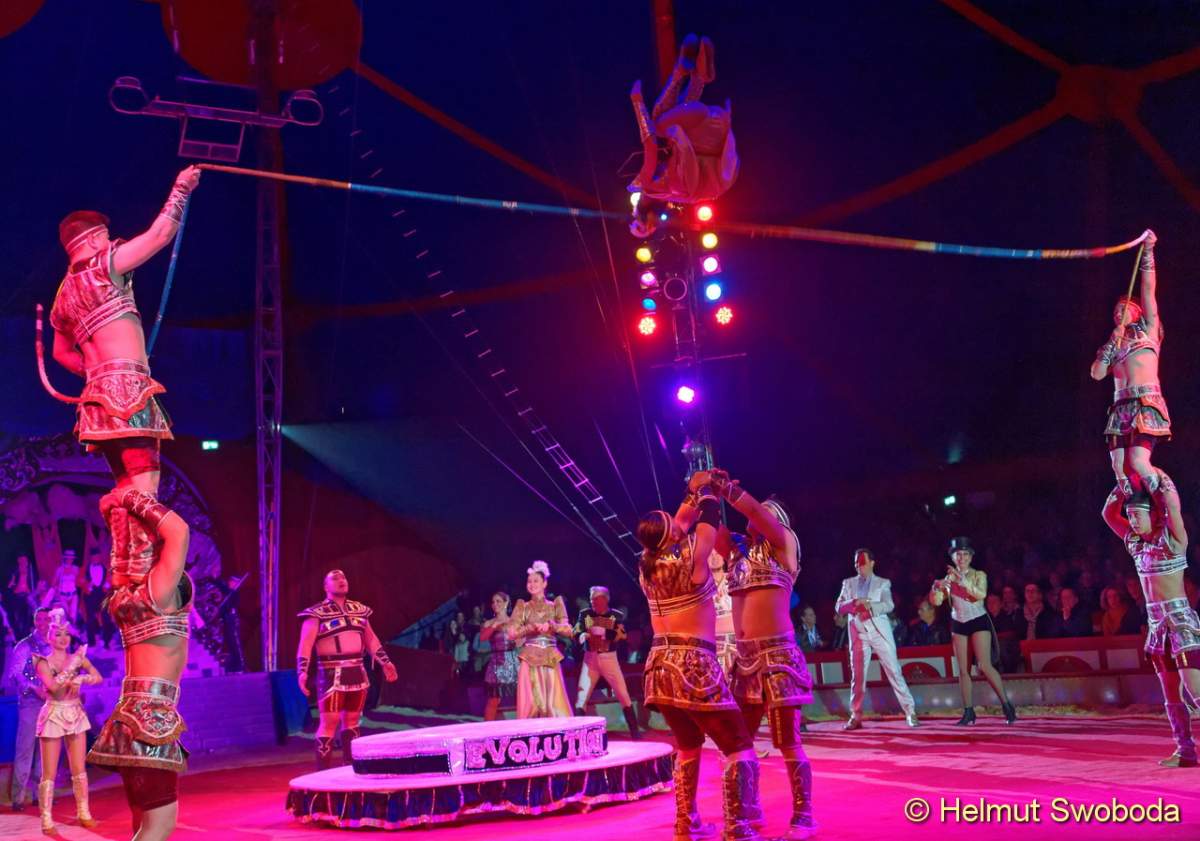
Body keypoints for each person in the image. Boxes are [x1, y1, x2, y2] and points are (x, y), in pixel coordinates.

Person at [48, 166, 201, 495]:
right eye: (105, 236)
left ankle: (120, 529)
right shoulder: (104, 267)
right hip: (129, 395)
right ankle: (146, 534)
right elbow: (159, 236)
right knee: (145, 488)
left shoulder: (62, 297)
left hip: (96, 399)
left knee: (127, 489)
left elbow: (60, 352)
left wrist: (95, 372)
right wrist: (181, 189)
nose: (109, 242)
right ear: (93, 239)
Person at [635, 471, 766, 841]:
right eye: (672, 524)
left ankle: (686, 824)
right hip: (693, 665)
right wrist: (708, 490)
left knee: (689, 746)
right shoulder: (690, 559)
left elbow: (678, 522)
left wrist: (691, 489)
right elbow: (707, 521)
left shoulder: (646, 566)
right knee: (738, 745)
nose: (678, 524)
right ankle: (738, 828)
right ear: (670, 535)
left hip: (659, 669)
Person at [716, 471, 816, 840]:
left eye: (768, 512)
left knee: (787, 741)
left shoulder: (784, 542)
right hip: (745, 661)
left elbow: (758, 514)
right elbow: (711, 529)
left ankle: (804, 816)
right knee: (738, 742)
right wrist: (703, 492)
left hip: (779, 659)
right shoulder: (738, 552)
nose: (758, 515)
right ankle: (747, 811)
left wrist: (729, 490)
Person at [86, 489, 191, 840]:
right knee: (159, 828)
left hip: (128, 717)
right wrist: (131, 496)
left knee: (142, 822)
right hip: (151, 722)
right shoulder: (156, 593)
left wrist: (116, 511)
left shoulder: (124, 598)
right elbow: (179, 531)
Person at [1101, 472, 1199, 767]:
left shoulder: (1173, 540)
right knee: (1171, 695)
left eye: (1136, 515)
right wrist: (1123, 482)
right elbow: (1107, 515)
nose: (1131, 521)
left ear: (1153, 515)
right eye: (1129, 515)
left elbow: (1171, 504)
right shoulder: (1135, 544)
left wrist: (1151, 472)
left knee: (1195, 691)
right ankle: (1185, 750)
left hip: (1181, 625)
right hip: (1157, 628)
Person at [627, 33, 737, 233]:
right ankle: (684, 74)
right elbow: (650, 145)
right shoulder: (646, 186)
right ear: (640, 208)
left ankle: (697, 78)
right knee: (659, 123)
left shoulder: (678, 196)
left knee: (670, 123)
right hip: (704, 129)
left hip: (715, 128)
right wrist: (637, 101)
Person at [1090, 230, 1168, 494]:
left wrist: (1148, 251)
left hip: (1144, 402)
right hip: (1120, 406)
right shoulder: (1113, 343)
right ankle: (1139, 511)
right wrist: (1111, 345)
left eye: (1124, 309)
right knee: (1120, 469)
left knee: (1138, 461)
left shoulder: (1148, 331)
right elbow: (1097, 374)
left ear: (1138, 312)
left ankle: (1167, 500)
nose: (1118, 313)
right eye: (1115, 311)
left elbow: (1147, 289)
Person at [296, 569, 398, 770]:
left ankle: (351, 769)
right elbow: (305, 644)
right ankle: (322, 773)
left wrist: (385, 662)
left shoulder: (359, 610)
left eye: (343, 577)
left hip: (357, 670)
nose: (341, 580)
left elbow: (371, 640)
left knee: (352, 721)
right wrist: (302, 671)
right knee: (330, 721)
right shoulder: (316, 613)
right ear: (325, 587)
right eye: (335, 578)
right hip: (331, 672)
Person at [930, 537, 1018, 726]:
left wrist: (961, 580)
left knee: (984, 665)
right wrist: (935, 588)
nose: (961, 558)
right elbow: (936, 602)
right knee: (963, 670)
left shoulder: (979, 575)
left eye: (965, 554)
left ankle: (1007, 705)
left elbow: (980, 594)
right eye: (958, 554)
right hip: (958, 622)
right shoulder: (948, 579)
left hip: (978, 619)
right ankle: (968, 711)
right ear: (953, 557)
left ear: (970, 557)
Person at [34, 607, 102, 833]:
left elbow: (98, 677)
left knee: (79, 768)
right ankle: (46, 819)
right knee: (49, 772)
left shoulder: (78, 658)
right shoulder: (42, 661)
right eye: (58, 634)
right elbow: (53, 688)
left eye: (66, 634)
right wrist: (73, 667)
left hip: (75, 713)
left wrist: (82, 678)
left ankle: (84, 812)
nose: (63, 638)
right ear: (49, 637)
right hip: (54, 714)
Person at [836, 549, 919, 729]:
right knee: (858, 677)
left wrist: (870, 606)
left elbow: (889, 604)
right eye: (856, 563)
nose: (859, 566)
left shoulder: (882, 583)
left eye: (862, 562)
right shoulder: (848, 583)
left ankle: (910, 711)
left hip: (879, 633)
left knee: (894, 672)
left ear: (872, 563)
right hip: (859, 634)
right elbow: (839, 607)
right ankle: (855, 715)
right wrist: (854, 603)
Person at [574, 585, 640, 739]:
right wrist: (581, 635)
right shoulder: (585, 614)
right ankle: (577, 736)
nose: (593, 602)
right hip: (590, 659)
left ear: (605, 599)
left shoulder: (616, 615)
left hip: (609, 659)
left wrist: (605, 633)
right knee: (582, 696)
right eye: (591, 599)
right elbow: (577, 629)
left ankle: (635, 733)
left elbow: (622, 635)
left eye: (596, 599)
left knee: (623, 694)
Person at [510, 561, 573, 718]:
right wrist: (529, 628)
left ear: (545, 583)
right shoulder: (522, 606)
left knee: (552, 701)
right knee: (532, 702)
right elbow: (511, 633)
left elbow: (568, 630)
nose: (531, 584)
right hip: (530, 657)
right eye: (529, 581)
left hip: (550, 657)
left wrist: (552, 626)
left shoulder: (555, 605)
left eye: (536, 581)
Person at [5, 607, 52, 812]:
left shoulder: (54, 645)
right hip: (30, 703)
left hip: (50, 703)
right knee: (25, 749)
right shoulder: (25, 646)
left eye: (46, 619)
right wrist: (34, 688)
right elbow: (14, 673)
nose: (43, 623)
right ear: (34, 622)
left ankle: (40, 795)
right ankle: (18, 797)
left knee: (46, 750)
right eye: (39, 619)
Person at [478, 591, 518, 720]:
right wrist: (494, 626)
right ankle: (487, 727)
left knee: (519, 697)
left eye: (498, 601)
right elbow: (482, 638)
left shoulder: (514, 621)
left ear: (506, 603)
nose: (495, 604)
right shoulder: (489, 623)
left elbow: (521, 641)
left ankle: (523, 726)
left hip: (512, 662)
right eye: (493, 602)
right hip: (496, 663)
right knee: (494, 699)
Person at [711, 527, 740, 678]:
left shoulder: (735, 579)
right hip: (713, 649)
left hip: (737, 646)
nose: (714, 557)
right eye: (710, 554)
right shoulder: (701, 586)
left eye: (717, 553)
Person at [4, 554, 37, 640]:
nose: (23, 562)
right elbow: (9, 586)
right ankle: (19, 637)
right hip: (17, 597)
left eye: (25, 561)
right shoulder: (15, 572)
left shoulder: (30, 571)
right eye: (21, 560)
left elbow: (33, 584)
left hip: (27, 596)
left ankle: (27, 636)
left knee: (28, 618)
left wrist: (32, 594)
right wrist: (11, 584)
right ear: (18, 561)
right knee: (17, 618)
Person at [51, 550, 82, 626]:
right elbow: (53, 583)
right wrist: (57, 592)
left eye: (71, 558)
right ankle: (66, 630)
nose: (70, 559)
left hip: (73, 594)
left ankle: (72, 630)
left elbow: (79, 582)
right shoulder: (60, 569)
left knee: (73, 615)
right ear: (65, 558)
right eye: (68, 557)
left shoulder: (76, 569)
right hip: (63, 595)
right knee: (66, 615)